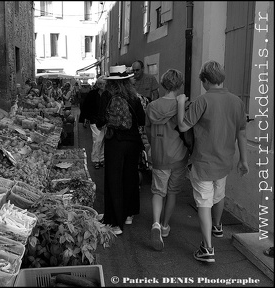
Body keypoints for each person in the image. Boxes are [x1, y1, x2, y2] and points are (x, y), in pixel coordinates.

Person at [176, 60, 249, 263]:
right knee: (219, 194)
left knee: (204, 203)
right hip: (225, 160)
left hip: (203, 161)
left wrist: (181, 103)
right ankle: (217, 226)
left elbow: (183, 127)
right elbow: (241, 132)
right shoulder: (237, 101)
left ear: (206, 80)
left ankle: (207, 248)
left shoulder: (202, 100)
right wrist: (244, 160)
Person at [96, 65, 146, 235]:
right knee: (130, 176)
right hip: (133, 143)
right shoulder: (134, 97)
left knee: (114, 179)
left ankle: (115, 222)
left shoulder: (107, 95)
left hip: (115, 142)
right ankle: (128, 214)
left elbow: (99, 120)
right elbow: (142, 120)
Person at [145, 69, 189, 251]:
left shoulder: (152, 106)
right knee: (172, 192)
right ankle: (164, 226)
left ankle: (155, 223)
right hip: (178, 155)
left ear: (163, 84)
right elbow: (187, 128)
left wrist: (151, 146)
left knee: (157, 191)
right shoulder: (184, 105)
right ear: (179, 85)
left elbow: (147, 129)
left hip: (159, 154)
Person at [81, 75, 107, 169]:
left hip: (106, 121)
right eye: (99, 83)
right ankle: (96, 159)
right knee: (97, 140)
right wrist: (86, 118)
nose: (101, 85)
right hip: (94, 120)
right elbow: (87, 106)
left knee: (103, 141)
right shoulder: (92, 94)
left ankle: (102, 159)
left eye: (103, 84)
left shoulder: (108, 94)